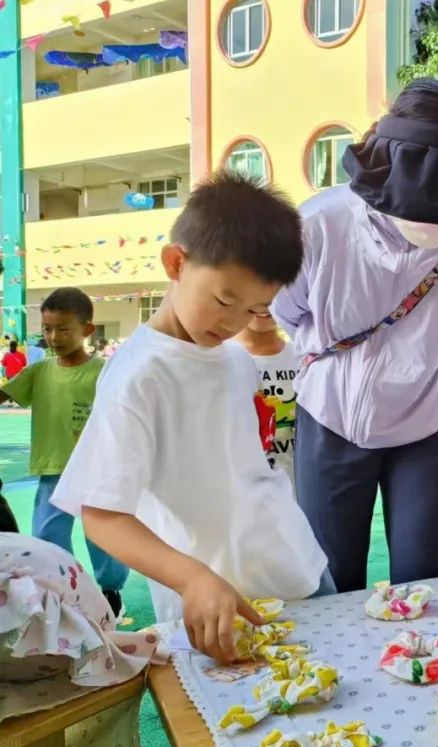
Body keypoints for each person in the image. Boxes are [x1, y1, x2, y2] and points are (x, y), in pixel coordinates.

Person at [51, 172, 332, 664]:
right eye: (224, 300)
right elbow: (101, 514)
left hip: (299, 567)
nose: (233, 322)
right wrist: (192, 578)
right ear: (176, 263)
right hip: (218, 604)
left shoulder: (236, 358)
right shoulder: (139, 375)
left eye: (255, 309)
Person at [273, 78, 438, 593]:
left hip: (430, 423)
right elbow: (290, 312)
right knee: (329, 578)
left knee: (426, 579)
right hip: (332, 416)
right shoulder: (319, 227)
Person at [0, 288, 129, 616]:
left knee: (104, 538)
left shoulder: (105, 371)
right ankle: (63, 593)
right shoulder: (39, 371)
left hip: (98, 471)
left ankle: (110, 590)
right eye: (46, 328)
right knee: (46, 537)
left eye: (63, 328)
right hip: (53, 469)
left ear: (87, 330)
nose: (53, 336)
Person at [233, 311, 299, 488]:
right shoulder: (220, 358)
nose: (265, 304)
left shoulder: (302, 357)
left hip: (296, 495)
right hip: (241, 495)